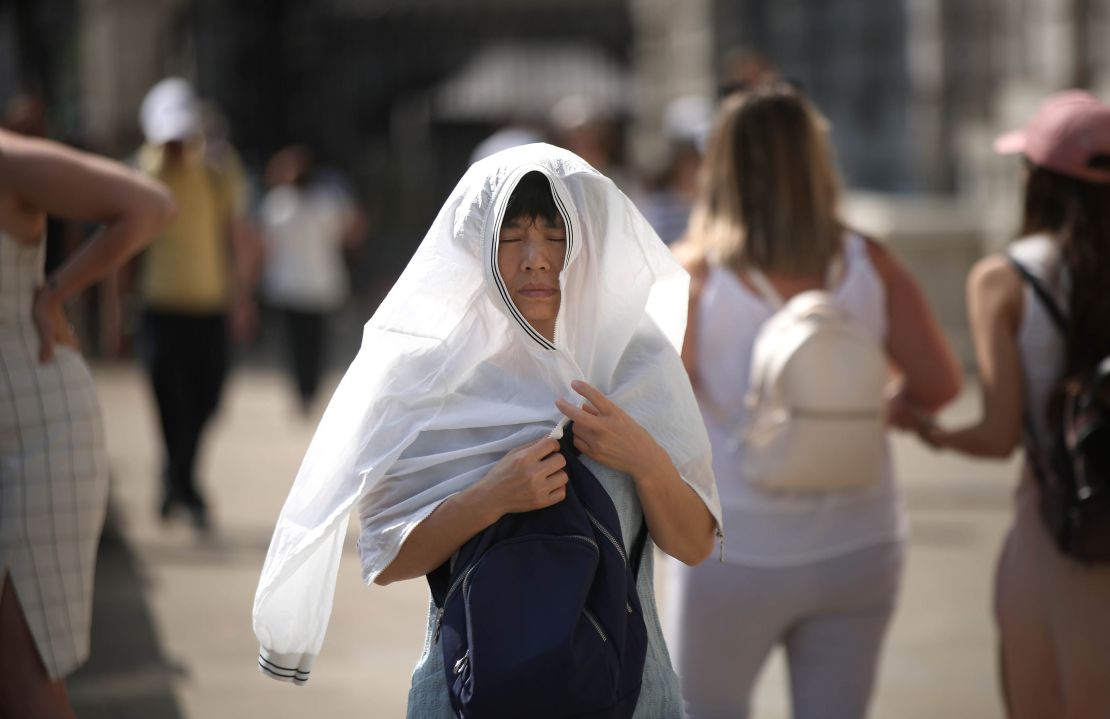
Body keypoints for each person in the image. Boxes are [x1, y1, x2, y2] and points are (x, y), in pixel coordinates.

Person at [252, 144, 722, 717]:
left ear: (589, 239)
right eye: (511, 234)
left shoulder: (636, 361)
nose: (535, 259)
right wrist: (491, 497)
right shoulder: (432, 374)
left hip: (627, 692)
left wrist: (644, 458)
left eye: (556, 234)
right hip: (467, 693)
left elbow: (695, 543)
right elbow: (388, 559)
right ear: (475, 240)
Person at [666, 85, 962, 719]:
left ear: (722, 166)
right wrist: (862, 404)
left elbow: (658, 410)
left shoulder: (694, 276)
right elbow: (941, 385)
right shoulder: (867, 261)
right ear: (815, 162)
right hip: (860, 542)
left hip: (733, 549)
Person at [915, 90, 1110, 717]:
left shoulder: (1005, 279)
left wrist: (932, 432)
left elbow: (999, 436)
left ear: (1038, 179)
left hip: (1060, 527)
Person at [0, 128, 173, 717]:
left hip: (35, 433)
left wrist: (55, 293)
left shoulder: (7, 159)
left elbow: (148, 205)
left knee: (25, 670)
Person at [116, 77, 257, 529]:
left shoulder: (218, 169)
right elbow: (123, 248)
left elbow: (235, 235)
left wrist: (242, 297)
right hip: (159, 308)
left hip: (209, 307)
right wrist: (117, 311)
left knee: (208, 398)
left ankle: (176, 478)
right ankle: (185, 486)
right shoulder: (139, 172)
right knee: (168, 402)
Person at [258, 144, 364, 413]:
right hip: (320, 285)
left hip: (289, 286)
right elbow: (348, 233)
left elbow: (265, 245)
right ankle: (309, 389)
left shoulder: (276, 204)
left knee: (296, 344)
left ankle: (303, 391)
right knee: (315, 343)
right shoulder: (327, 201)